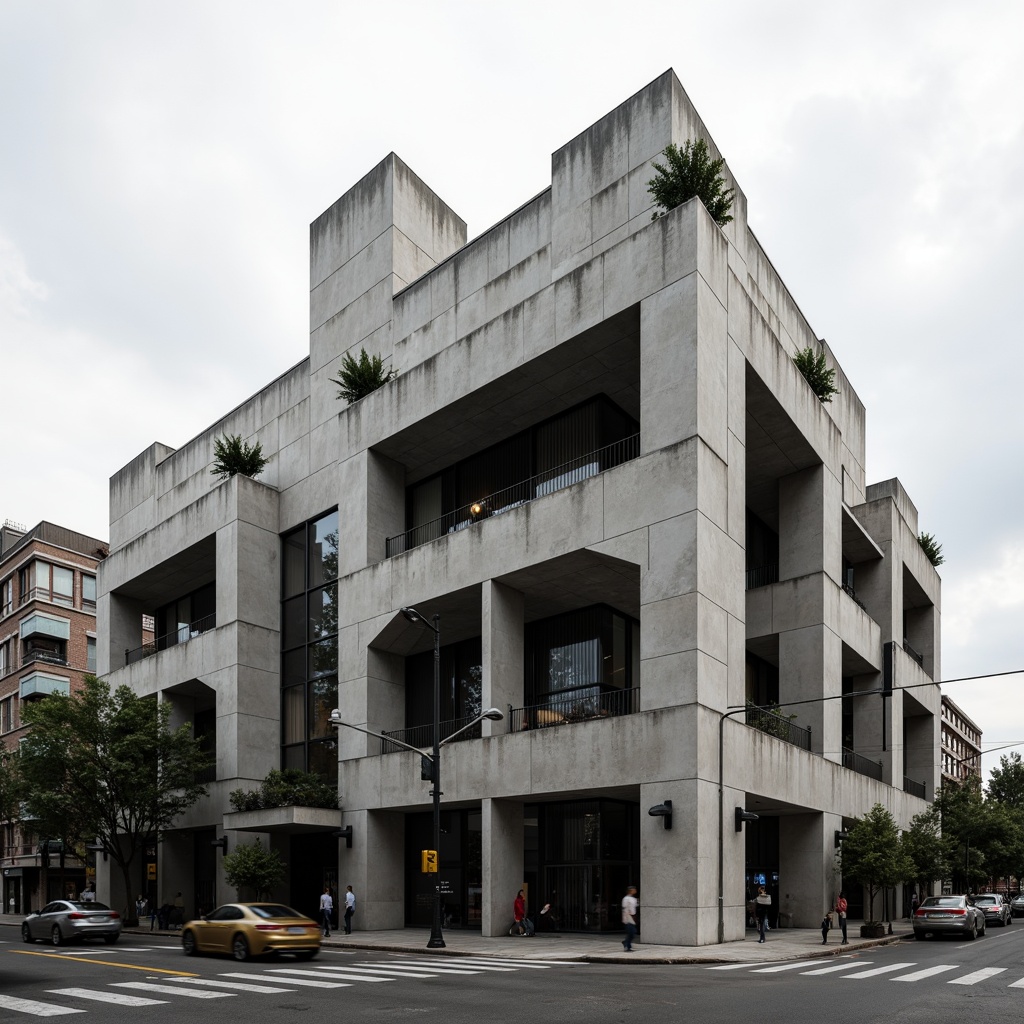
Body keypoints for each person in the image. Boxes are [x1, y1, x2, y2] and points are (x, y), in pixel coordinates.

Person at [621, 885, 638, 952]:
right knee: (631, 932)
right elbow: (625, 908)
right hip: (628, 917)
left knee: (632, 932)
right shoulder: (626, 899)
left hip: (633, 917)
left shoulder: (634, 899)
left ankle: (627, 944)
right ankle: (627, 945)